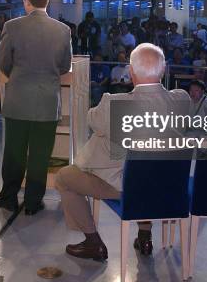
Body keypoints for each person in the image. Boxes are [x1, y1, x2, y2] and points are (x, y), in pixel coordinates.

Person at [55, 44, 191, 260]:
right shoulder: (182, 100)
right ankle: (145, 237)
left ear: (131, 72)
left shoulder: (114, 104)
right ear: (163, 71)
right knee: (145, 163)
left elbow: (92, 119)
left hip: (127, 185)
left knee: (63, 178)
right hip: (168, 184)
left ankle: (93, 242)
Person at [0, 0, 72, 216]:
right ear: (46, 0)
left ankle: (8, 197)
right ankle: (33, 202)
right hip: (47, 103)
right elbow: (65, 65)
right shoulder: (63, 30)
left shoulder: (12, 26)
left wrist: (17, 77)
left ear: (26, 1)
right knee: (40, 154)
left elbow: (3, 61)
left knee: (14, 152)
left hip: (18, 100)